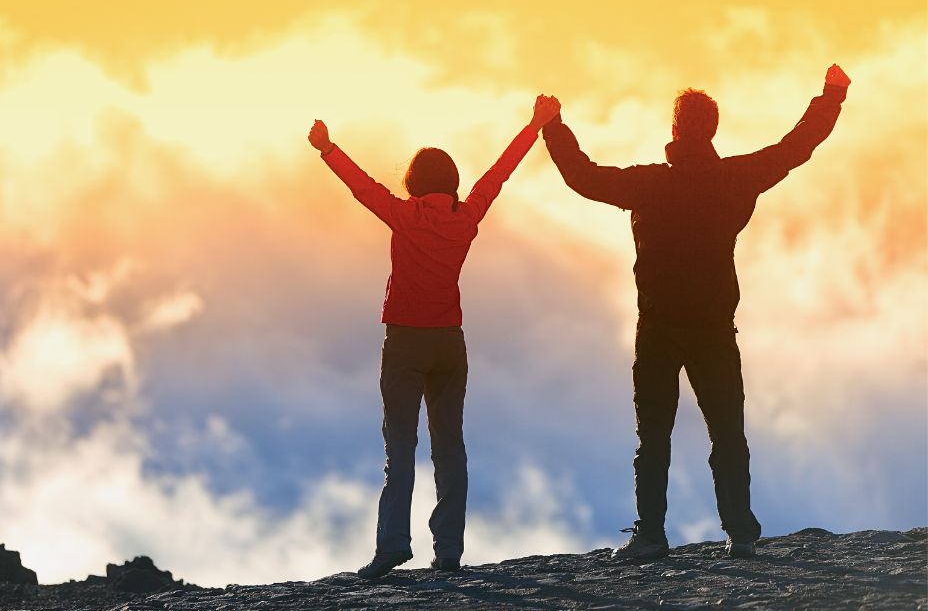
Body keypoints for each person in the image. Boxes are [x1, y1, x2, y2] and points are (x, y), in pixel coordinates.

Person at [543, 65, 850, 560]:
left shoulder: (649, 185)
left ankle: (650, 536)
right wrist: (831, 96)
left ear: (674, 130)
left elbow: (582, 177)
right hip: (713, 329)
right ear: (712, 130)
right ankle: (741, 532)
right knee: (727, 430)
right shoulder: (736, 178)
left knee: (653, 437)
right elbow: (796, 148)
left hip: (659, 328)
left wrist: (553, 126)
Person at [308, 95, 561, 579]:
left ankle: (392, 546)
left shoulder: (406, 217)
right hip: (450, 342)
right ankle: (448, 549)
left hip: (405, 343)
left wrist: (327, 148)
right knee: (450, 445)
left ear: (414, 185)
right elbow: (498, 175)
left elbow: (363, 188)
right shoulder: (465, 220)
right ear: (451, 185)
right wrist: (534, 126)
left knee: (400, 446)